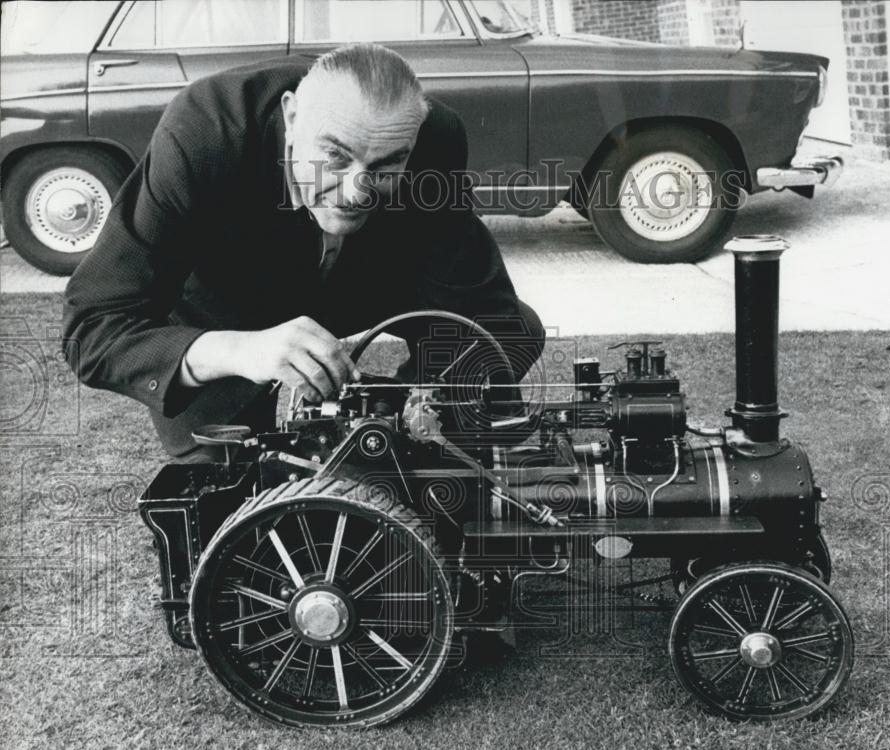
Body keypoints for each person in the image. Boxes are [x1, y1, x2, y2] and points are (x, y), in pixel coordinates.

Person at [62, 44, 544, 461]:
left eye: (386, 165)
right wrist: (240, 350)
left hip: (357, 288)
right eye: (335, 156)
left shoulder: (431, 137)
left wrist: (408, 408)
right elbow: (93, 329)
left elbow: (491, 316)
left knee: (506, 340)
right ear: (292, 118)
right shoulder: (204, 135)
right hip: (225, 313)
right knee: (229, 497)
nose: (357, 191)